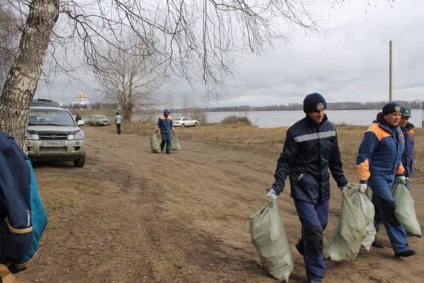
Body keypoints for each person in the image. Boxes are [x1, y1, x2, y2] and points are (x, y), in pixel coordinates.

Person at [266, 93, 349, 283]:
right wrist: (277, 187)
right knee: (313, 229)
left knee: (320, 226)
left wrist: (342, 182)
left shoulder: (330, 129)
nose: (320, 114)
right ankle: (315, 274)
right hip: (303, 187)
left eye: (322, 109)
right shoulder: (296, 131)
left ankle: (305, 247)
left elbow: (335, 161)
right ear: (307, 111)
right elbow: (285, 161)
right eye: (315, 111)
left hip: (323, 188)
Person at [356, 102, 415, 257]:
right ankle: (401, 247)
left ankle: (369, 236)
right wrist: (363, 180)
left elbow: (396, 155)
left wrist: (400, 172)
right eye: (393, 115)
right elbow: (363, 156)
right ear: (385, 115)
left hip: (391, 176)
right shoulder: (374, 131)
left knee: (378, 209)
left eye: (399, 115)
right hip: (377, 177)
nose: (397, 118)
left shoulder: (398, 131)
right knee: (389, 208)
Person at [399, 107, 415, 189]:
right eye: (402, 117)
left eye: (407, 118)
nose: (404, 120)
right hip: (396, 172)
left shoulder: (410, 131)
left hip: (407, 170)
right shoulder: (393, 130)